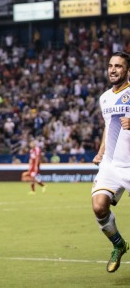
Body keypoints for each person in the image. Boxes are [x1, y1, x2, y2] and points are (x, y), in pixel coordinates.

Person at [92, 51, 130, 273]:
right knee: (99, 207)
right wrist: (101, 151)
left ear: (127, 71)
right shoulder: (104, 97)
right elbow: (109, 125)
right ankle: (119, 245)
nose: (113, 69)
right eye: (110, 65)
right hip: (111, 163)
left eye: (118, 66)